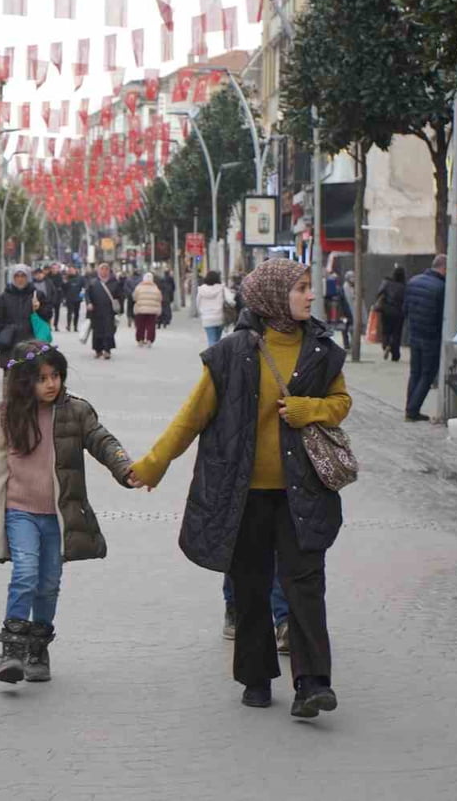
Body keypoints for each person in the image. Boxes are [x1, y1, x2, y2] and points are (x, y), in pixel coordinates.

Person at [129, 259, 351, 716]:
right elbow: (192, 417)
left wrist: (313, 410)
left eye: (311, 288)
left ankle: (312, 682)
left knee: (305, 583)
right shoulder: (232, 353)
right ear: (273, 296)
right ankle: (256, 676)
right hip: (244, 492)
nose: (312, 296)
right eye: (302, 289)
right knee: (250, 585)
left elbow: (341, 402)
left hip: (303, 491)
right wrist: (153, 465)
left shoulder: (322, 349)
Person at [0, 341, 135, 684]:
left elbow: (103, 441)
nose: (51, 384)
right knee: (26, 573)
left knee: (48, 584)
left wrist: (126, 467)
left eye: (55, 375)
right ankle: (12, 649)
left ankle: (37, 649)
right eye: (41, 378)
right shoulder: (6, 416)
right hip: (19, 512)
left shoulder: (76, 412)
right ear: (23, 381)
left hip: (57, 515)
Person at [403, 255, 447, 421]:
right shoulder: (441, 287)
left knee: (415, 372)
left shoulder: (413, 281)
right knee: (427, 374)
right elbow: (442, 316)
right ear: (443, 268)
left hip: (415, 333)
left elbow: (405, 309)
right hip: (431, 336)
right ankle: (413, 410)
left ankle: (409, 407)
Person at [0, 264, 51, 365]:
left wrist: (39, 308)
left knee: (30, 374)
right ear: (12, 278)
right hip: (10, 343)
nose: (20, 279)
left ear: (28, 277)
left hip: (31, 342)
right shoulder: (5, 297)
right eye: (17, 276)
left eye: (23, 276)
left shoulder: (37, 295)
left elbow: (48, 315)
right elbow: (0, 320)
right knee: (10, 375)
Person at [85, 262, 121, 359]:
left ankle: (107, 350)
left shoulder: (114, 282)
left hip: (109, 312)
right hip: (96, 311)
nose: (104, 271)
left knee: (109, 331)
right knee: (97, 331)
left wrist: (118, 310)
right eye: (102, 269)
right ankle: (98, 350)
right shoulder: (93, 282)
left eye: (106, 269)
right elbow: (87, 294)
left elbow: (119, 296)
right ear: (98, 271)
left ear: (109, 271)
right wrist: (89, 303)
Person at [374, 266, 406, 361]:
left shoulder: (387, 283)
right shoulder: (404, 286)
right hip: (399, 312)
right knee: (397, 333)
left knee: (386, 331)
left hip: (386, 310)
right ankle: (395, 353)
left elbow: (379, 294)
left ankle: (386, 345)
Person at [196, 270, 232, 347]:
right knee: (217, 339)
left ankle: (213, 357)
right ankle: (217, 356)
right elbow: (231, 300)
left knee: (211, 339)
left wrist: (202, 313)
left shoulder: (201, 289)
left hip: (207, 318)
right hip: (220, 317)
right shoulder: (222, 288)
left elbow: (197, 303)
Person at [132, 271, 163, 346]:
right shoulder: (156, 288)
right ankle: (149, 340)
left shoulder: (139, 287)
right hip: (152, 310)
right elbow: (160, 298)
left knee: (140, 325)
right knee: (151, 325)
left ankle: (140, 340)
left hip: (140, 309)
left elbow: (134, 297)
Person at [62, 266, 84, 333]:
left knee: (76, 313)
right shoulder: (66, 278)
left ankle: (75, 326)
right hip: (69, 298)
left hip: (77, 298)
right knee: (69, 312)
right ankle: (68, 326)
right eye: (69, 270)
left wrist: (82, 295)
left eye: (72, 270)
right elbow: (64, 288)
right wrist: (64, 282)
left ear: (75, 270)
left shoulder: (80, 278)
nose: (71, 271)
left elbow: (84, 287)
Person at [48, 266, 66, 330]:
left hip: (58, 296)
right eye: (53, 268)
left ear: (58, 269)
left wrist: (63, 297)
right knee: (49, 311)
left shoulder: (60, 276)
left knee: (57, 312)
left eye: (55, 268)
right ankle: (49, 325)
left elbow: (62, 286)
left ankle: (56, 325)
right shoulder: (48, 276)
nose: (54, 270)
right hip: (50, 296)